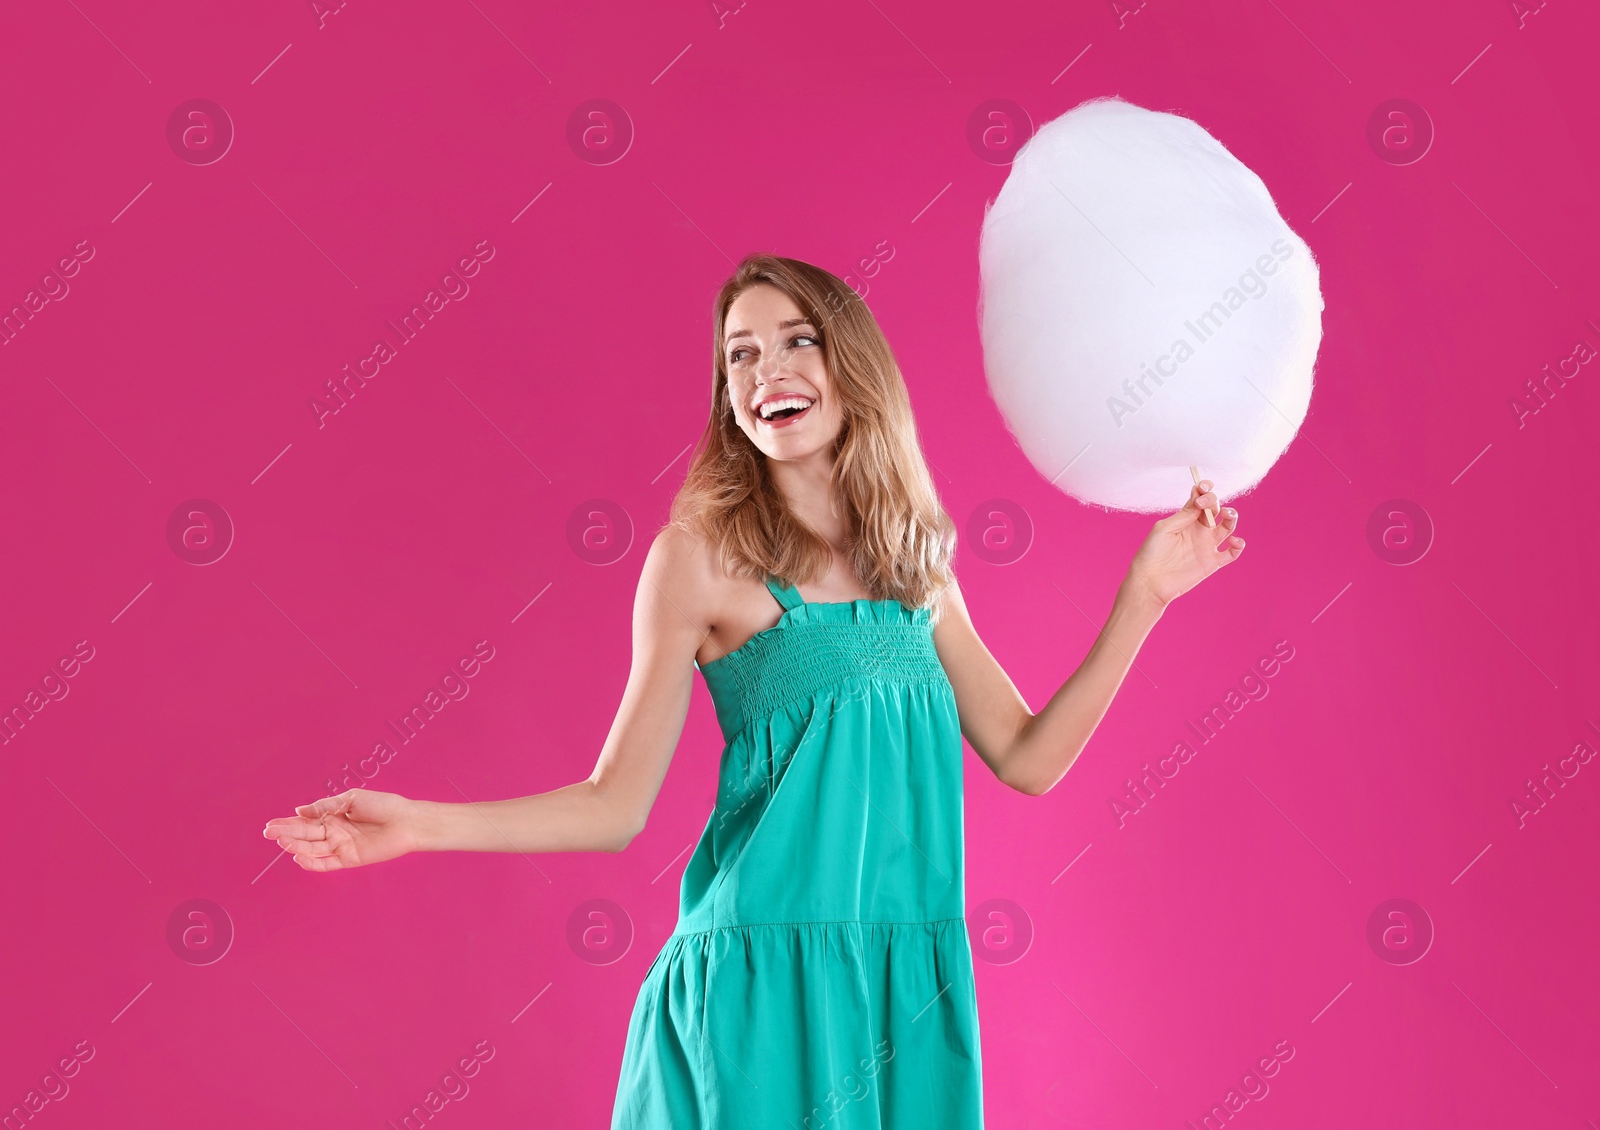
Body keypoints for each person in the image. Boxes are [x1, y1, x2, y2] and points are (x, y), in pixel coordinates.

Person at [263, 253, 1245, 1127]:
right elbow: (614, 808)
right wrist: (419, 824)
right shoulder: (699, 560)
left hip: (902, 995)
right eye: (739, 355)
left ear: (850, 369)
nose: (764, 368)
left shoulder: (918, 562)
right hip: (752, 999)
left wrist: (1145, 595)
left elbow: (1026, 758)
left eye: (794, 341)